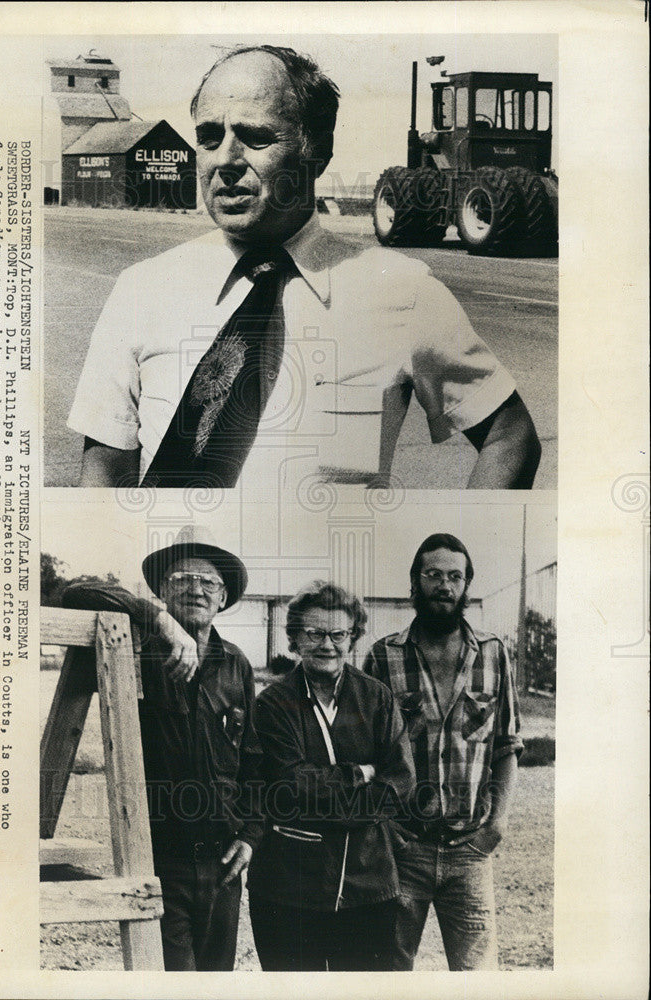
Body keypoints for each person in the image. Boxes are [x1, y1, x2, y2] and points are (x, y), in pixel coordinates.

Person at [68, 44, 541, 491]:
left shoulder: (402, 292)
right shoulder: (141, 290)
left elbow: (511, 437)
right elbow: (104, 474)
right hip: (175, 571)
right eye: (210, 137)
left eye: (255, 137)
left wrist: (452, 545)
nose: (226, 160)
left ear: (318, 149)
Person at [63, 525, 263, 971]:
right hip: (160, 859)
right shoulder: (138, 647)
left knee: (215, 981)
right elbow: (75, 590)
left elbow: (255, 762)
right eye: (181, 579)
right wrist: (159, 621)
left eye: (208, 581)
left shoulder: (237, 665)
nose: (195, 589)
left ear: (224, 597)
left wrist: (250, 838)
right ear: (161, 592)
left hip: (223, 864)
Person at [362, 533, 524, 970]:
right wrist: (384, 827)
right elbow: (366, 753)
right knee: (386, 972)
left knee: (476, 977)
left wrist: (497, 824)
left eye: (455, 576)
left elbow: (507, 744)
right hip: (402, 849)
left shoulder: (493, 654)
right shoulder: (382, 657)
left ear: (467, 585)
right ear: (414, 582)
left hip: (470, 851)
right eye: (433, 574)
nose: (444, 586)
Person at [246, 582, 415, 970]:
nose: (327, 645)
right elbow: (289, 783)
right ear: (294, 639)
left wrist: (328, 805)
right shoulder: (273, 704)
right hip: (287, 889)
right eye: (314, 633)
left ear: (352, 637)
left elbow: (400, 782)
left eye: (338, 634)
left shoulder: (376, 698)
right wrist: (362, 773)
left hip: (368, 886)